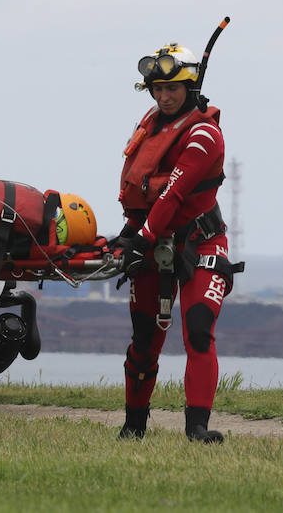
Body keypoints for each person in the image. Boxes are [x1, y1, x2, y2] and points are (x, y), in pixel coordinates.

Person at [114, 43, 237, 444]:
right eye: (157, 89)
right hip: (152, 240)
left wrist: (141, 238)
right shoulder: (150, 124)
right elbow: (139, 189)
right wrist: (133, 233)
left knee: (198, 331)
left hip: (201, 244)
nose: (164, 97)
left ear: (190, 86)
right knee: (144, 339)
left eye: (172, 89)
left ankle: (197, 429)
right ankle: (133, 427)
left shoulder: (205, 134)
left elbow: (174, 194)